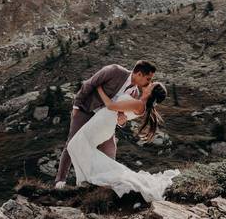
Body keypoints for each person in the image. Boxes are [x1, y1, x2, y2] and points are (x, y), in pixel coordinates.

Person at [66, 73, 178, 202]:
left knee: (75, 146)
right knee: (77, 147)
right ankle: (87, 180)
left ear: (151, 92)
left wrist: (99, 89)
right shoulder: (139, 104)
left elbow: (110, 106)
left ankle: (91, 179)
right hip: (104, 122)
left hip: (103, 123)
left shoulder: (139, 104)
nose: (149, 84)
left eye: (152, 85)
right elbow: (121, 112)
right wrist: (121, 116)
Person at [54, 60, 157, 189]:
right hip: (87, 110)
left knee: (110, 149)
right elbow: (89, 84)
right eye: (148, 78)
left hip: (103, 121)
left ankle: (106, 183)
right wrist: (76, 105)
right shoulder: (115, 71)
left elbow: (120, 113)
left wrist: (122, 120)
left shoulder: (135, 93)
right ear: (139, 74)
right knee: (72, 142)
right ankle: (60, 181)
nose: (149, 82)